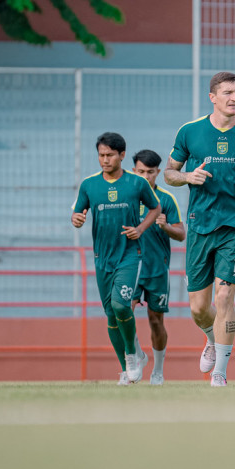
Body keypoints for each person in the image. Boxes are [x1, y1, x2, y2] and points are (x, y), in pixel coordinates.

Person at [166, 72, 235, 386]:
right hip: (200, 226)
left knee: (224, 296)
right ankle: (211, 338)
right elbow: (169, 173)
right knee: (199, 308)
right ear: (212, 97)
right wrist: (188, 177)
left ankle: (220, 373)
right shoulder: (190, 132)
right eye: (227, 92)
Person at [73, 132, 160, 385]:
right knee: (111, 316)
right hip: (102, 258)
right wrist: (76, 219)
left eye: (110, 155)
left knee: (122, 305)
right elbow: (78, 211)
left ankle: (132, 355)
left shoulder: (137, 183)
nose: (105, 160)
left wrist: (141, 229)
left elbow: (155, 208)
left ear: (122, 155)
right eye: (101, 155)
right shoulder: (89, 185)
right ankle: (126, 367)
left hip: (130, 255)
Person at [132, 149, 185, 386]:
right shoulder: (127, 196)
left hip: (157, 269)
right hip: (130, 267)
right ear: (134, 170)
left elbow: (182, 234)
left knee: (156, 321)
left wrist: (166, 227)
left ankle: (158, 370)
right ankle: (135, 357)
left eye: (150, 172)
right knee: (123, 312)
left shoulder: (167, 199)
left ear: (158, 172)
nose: (146, 177)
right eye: (141, 171)